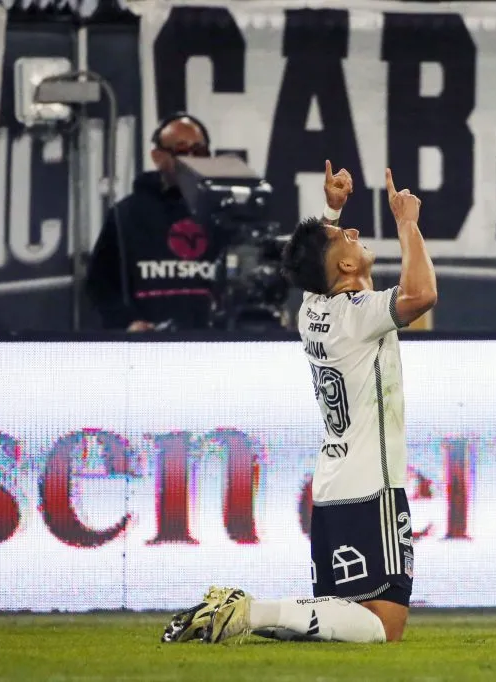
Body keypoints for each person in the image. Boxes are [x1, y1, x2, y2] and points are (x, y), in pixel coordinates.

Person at [160, 162, 437, 645]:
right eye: (345, 235)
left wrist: (330, 209)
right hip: (373, 483)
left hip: (333, 483)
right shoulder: (358, 314)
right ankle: (246, 611)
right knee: (382, 626)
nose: (353, 230)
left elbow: (311, 265)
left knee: (339, 621)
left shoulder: (313, 310)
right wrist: (407, 222)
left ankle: (247, 616)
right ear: (347, 268)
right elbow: (422, 294)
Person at [86, 113, 219, 331]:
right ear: (157, 156)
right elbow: (99, 284)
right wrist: (128, 323)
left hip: (219, 347)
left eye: (200, 151)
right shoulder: (125, 215)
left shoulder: (222, 213)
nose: (192, 159)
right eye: (182, 150)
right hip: (148, 349)